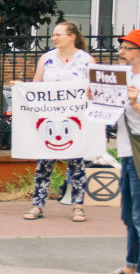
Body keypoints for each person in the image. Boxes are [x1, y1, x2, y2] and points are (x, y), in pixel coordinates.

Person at [24, 20, 95, 223]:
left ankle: (78, 206)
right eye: (53, 35)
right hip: (49, 120)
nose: (54, 38)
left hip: (75, 121)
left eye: (59, 34)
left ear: (72, 37)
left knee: (77, 164)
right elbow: (36, 86)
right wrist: (23, 88)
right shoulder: (46, 59)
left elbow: (95, 89)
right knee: (44, 164)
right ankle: (37, 204)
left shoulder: (87, 60)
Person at [107, 29, 140, 274]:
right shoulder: (125, 77)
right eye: (122, 48)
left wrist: (136, 103)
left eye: (127, 48)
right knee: (129, 215)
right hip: (128, 151)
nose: (122, 53)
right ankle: (131, 266)